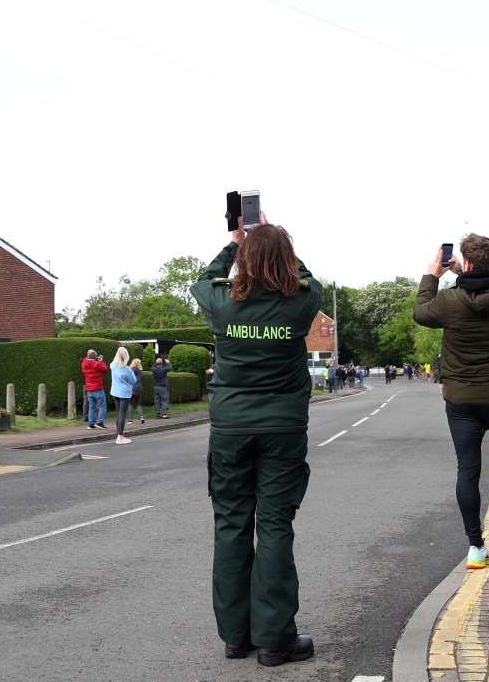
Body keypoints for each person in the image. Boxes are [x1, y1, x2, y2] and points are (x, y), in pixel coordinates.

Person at [190, 212, 322, 667]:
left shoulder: (223, 304)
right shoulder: (300, 304)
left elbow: (202, 280)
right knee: (274, 527)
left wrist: (236, 244)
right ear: (286, 260)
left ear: (243, 261)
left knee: (230, 525)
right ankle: (275, 640)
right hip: (283, 431)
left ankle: (235, 637)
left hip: (230, 430)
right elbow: (308, 279)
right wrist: (277, 243)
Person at [413, 234, 489, 570]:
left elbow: (421, 312)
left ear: (465, 263)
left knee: (468, 470)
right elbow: (482, 291)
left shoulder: (449, 301)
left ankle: (476, 548)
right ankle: (478, 548)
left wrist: (434, 276)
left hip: (461, 402)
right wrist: (463, 272)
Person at [109, 346, 136, 444]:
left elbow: (114, 362)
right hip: (124, 393)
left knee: (119, 414)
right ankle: (120, 437)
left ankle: (119, 435)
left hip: (115, 392)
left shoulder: (112, 365)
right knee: (122, 414)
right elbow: (133, 380)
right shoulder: (127, 369)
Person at [81, 349, 108, 429]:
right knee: (103, 406)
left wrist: (95, 359)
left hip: (89, 388)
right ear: (95, 356)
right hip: (98, 388)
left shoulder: (84, 363)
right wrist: (101, 361)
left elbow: (88, 359)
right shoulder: (97, 364)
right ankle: (100, 422)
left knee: (91, 406)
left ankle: (91, 423)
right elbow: (105, 369)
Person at [126, 358, 145, 425]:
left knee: (130, 404)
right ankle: (141, 417)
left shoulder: (130, 370)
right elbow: (142, 379)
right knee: (138, 404)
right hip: (139, 388)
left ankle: (130, 420)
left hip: (131, 388)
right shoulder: (141, 372)